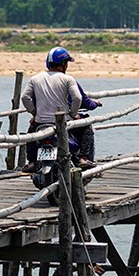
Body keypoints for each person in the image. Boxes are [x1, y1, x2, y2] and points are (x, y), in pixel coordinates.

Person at [21, 46, 94, 178]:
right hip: (63, 122)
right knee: (86, 127)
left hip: (41, 122)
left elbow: (25, 98)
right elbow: (78, 98)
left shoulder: (35, 79)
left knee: (31, 133)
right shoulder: (67, 79)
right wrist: (73, 114)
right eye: (66, 63)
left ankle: (32, 162)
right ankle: (83, 158)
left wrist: (34, 113)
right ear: (63, 64)